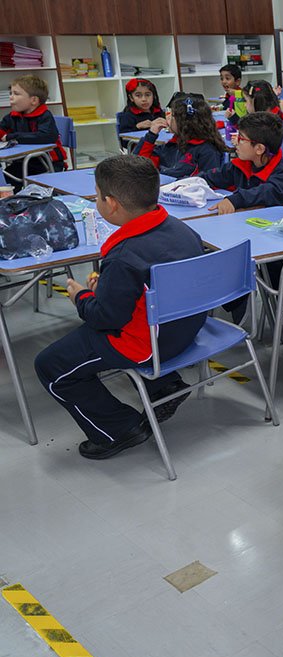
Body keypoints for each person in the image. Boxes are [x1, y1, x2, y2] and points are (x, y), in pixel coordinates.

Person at [33, 156, 207, 460]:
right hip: (187, 328)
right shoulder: (183, 230)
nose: (97, 200)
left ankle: (118, 429)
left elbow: (105, 319)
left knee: (50, 365)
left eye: (97, 196)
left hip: (151, 344)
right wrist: (110, 287)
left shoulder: (124, 255)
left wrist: (82, 297)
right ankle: (165, 386)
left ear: (111, 204)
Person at [202, 112, 283, 215]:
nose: (235, 142)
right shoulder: (241, 165)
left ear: (259, 149)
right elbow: (212, 177)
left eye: (241, 139)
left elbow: (264, 193)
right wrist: (189, 183)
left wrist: (236, 200)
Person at [135, 95, 226, 178]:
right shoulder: (172, 144)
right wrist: (151, 135)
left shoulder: (207, 150)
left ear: (184, 122)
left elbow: (208, 182)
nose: (168, 117)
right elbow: (138, 165)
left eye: (172, 115)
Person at [0, 75, 67, 175]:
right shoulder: (13, 116)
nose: (11, 97)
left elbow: (45, 136)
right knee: (5, 181)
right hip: (23, 163)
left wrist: (11, 137)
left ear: (34, 100)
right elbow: (2, 130)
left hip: (49, 164)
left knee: (38, 187)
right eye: (11, 93)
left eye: (16, 94)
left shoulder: (45, 116)